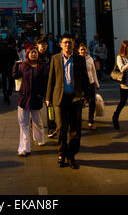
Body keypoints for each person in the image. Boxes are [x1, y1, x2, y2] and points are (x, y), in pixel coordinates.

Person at [46, 33, 90, 169]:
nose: (67, 45)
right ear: (61, 44)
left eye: (70, 43)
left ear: (73, 45)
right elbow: (51, 79)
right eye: (65, 42)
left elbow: (85, 79)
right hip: (59, 98)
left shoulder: (79, 59)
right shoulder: (55, 58)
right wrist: (48, 98)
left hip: (75, 97)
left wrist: (87, 96)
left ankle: (71, 155)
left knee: (75, 129)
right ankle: (61, 153)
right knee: (61, 128)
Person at [12, 46, 49, 156]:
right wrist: (15, 65)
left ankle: (39, 138)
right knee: (23, 124)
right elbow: (15, 76)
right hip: (23, 98)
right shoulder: (23, 66)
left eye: (35, 52)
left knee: (37, 121)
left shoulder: (42, 67)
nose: (33, 54)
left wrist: (43, 95)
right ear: (27, 54)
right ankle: (24, 148)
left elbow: (45, 82)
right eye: (31, 52)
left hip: (36, 98)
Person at [35, 36, 57, 138]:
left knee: (50, 107)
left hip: (49, 85)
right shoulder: (34, 55)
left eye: (45, 44)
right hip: (37, 85)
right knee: (36, 108)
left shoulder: (51, 56)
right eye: (41, 44)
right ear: (37, 45)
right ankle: (35, 126)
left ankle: (51, 127)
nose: (43, 46)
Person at [78, 43, 100, 130]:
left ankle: (91, 121)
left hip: (91, 83)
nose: (83, 51)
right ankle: (77, 121)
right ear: (78, 51)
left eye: (84, 49)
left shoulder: (90, 59)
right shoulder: (77, 59)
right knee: (80, 104)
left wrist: (97, 83)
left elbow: (94, 71)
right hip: (81, 85)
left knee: (92, 103)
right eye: (81, 49)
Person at [0, 36, 18, 104]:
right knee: (11, 80)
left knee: (4, 80)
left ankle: (5, 92)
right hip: (11, 68)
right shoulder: (13, 50)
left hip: (3, 68)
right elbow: (17, 58)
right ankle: (9, 92)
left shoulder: (2, 49)